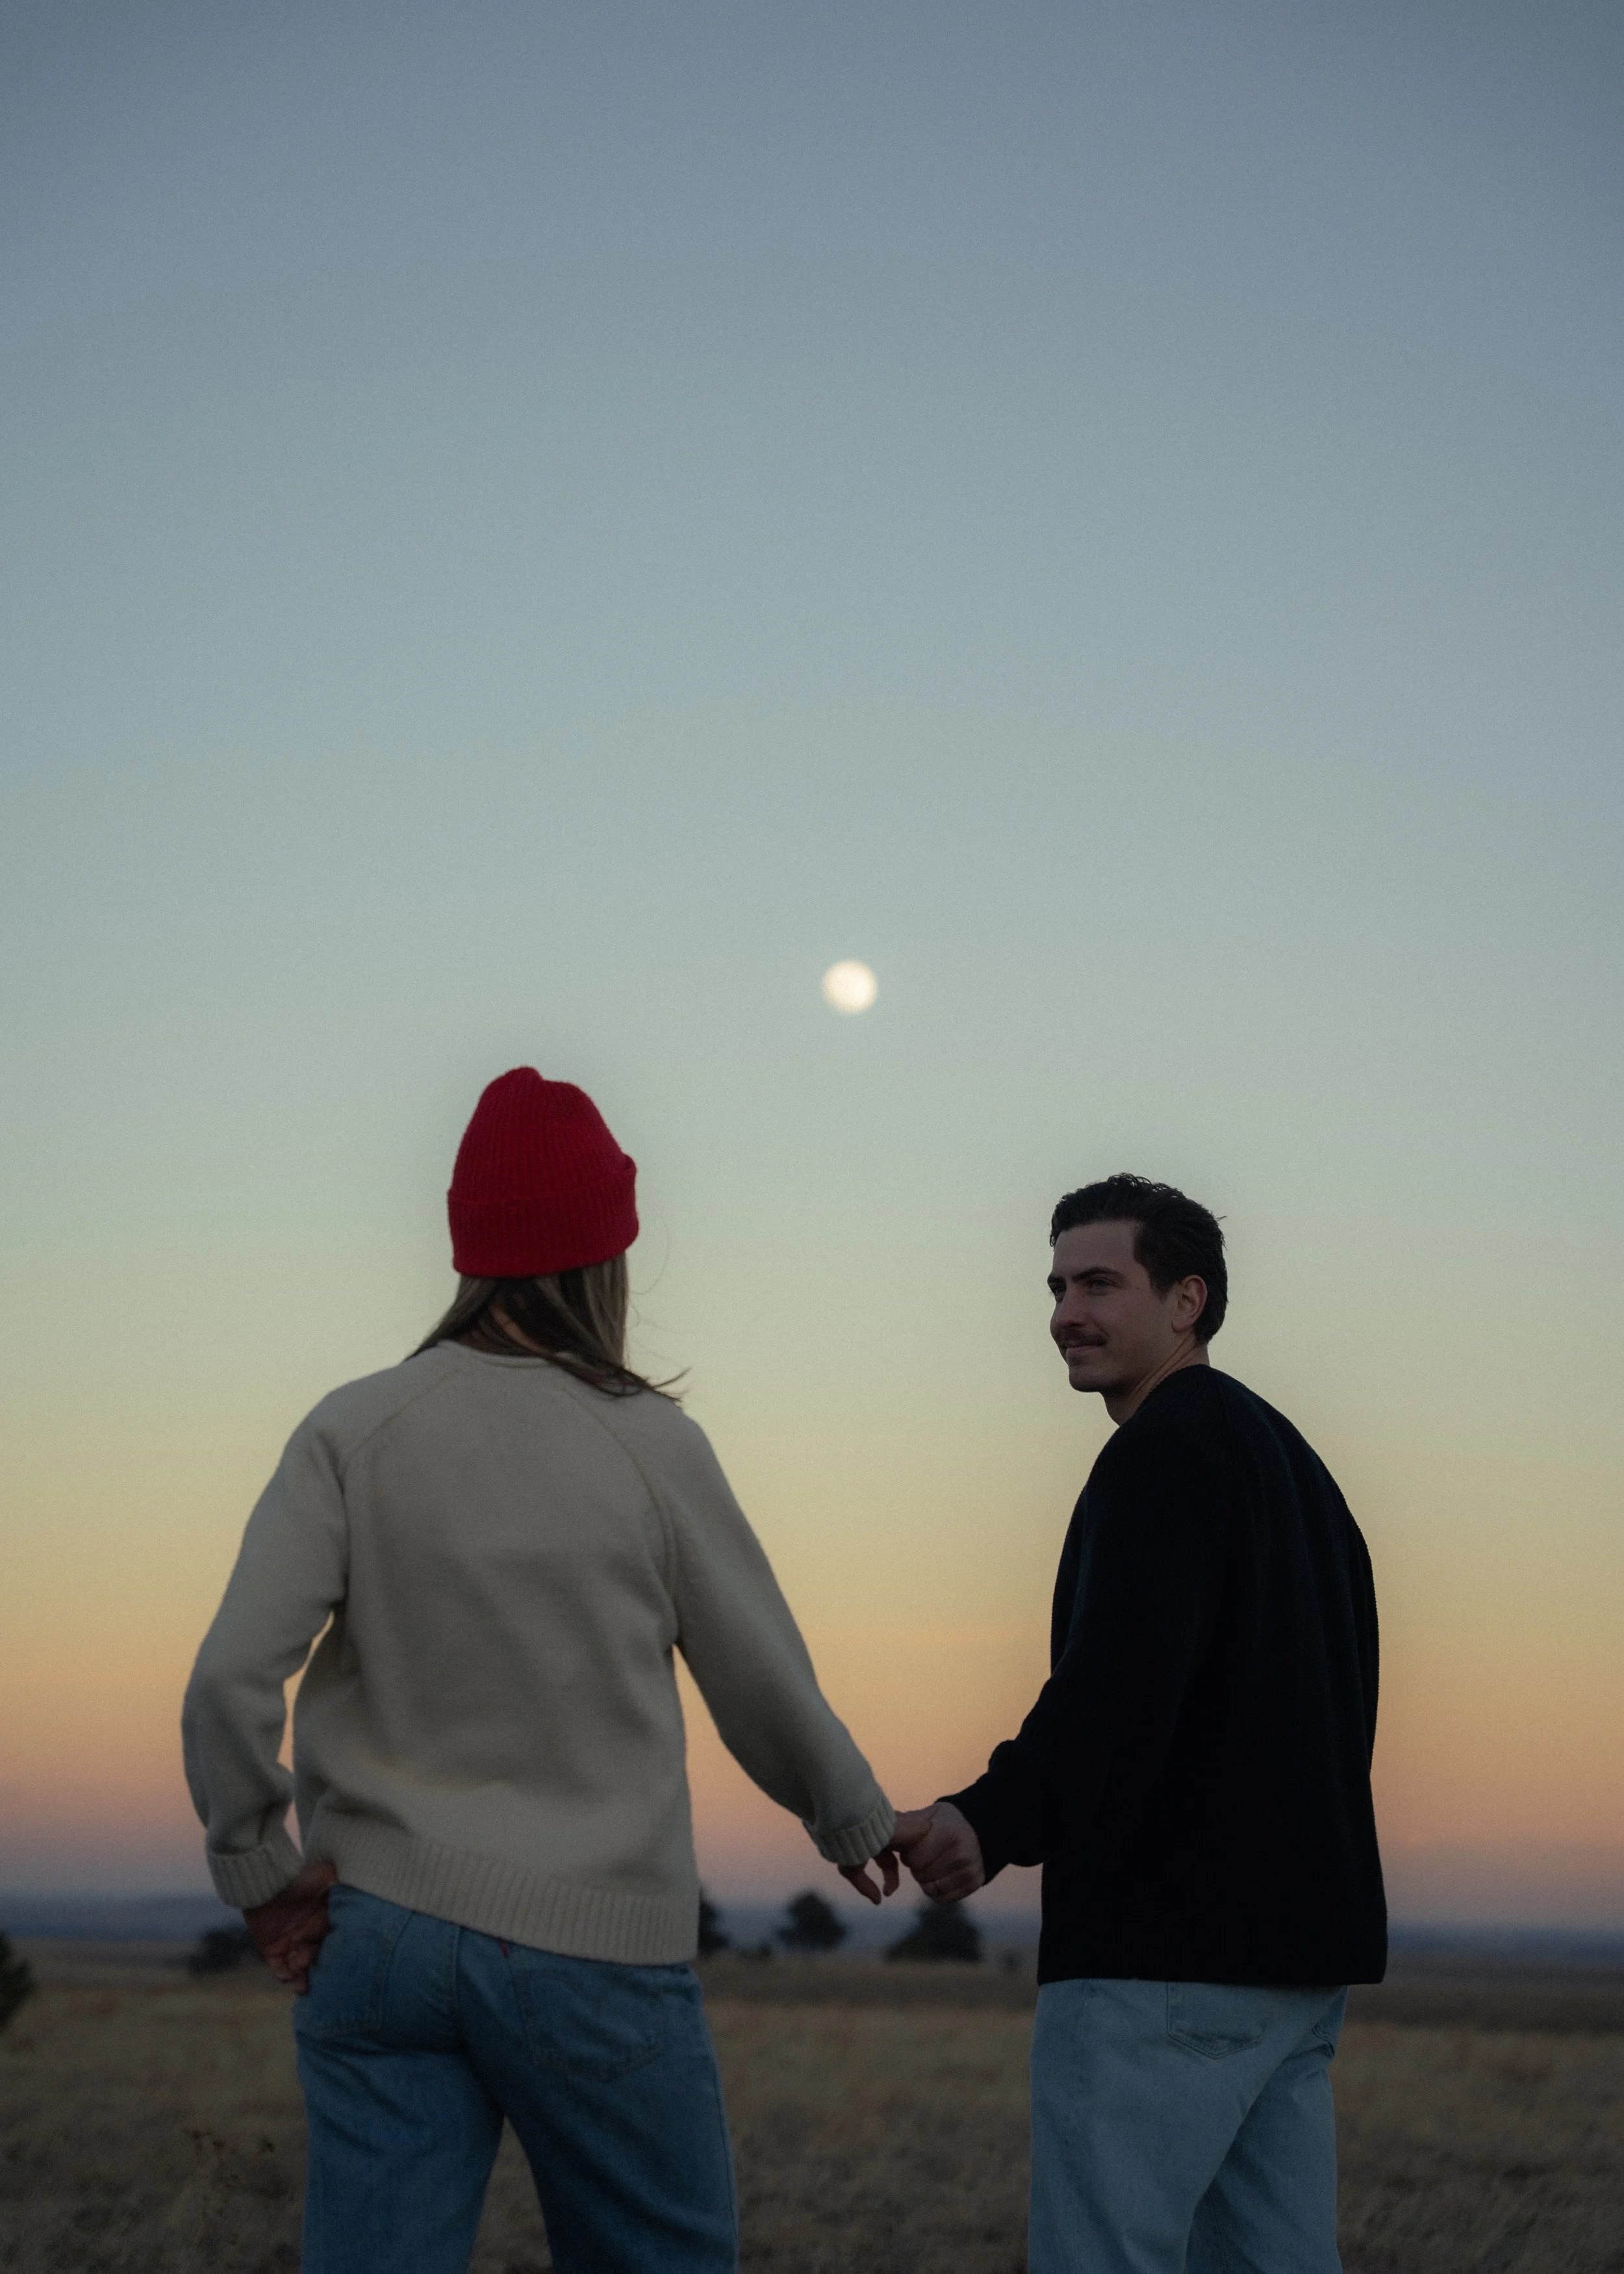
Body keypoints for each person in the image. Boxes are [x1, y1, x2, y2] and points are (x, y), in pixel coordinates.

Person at [183, 1067, 898, 2274]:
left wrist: (259, 1871)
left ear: (469, 1241)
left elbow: (229, 1677)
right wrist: (851, 1815)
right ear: (609, 1251)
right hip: (596, 1944)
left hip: (380, 1933)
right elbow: (760, 1675)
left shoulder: (354, 1429)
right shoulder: (652, 1445)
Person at [891, 1175, 1385, 2274]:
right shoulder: (1300, 1471)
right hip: (1297, 1967)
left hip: (1162, 1965)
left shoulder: (1161, 1454)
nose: (1067, 1312)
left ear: (1186, 1300)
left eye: (1100, 1284)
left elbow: (1118, 1683)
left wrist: (990, 1819)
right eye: (1058, 1287)